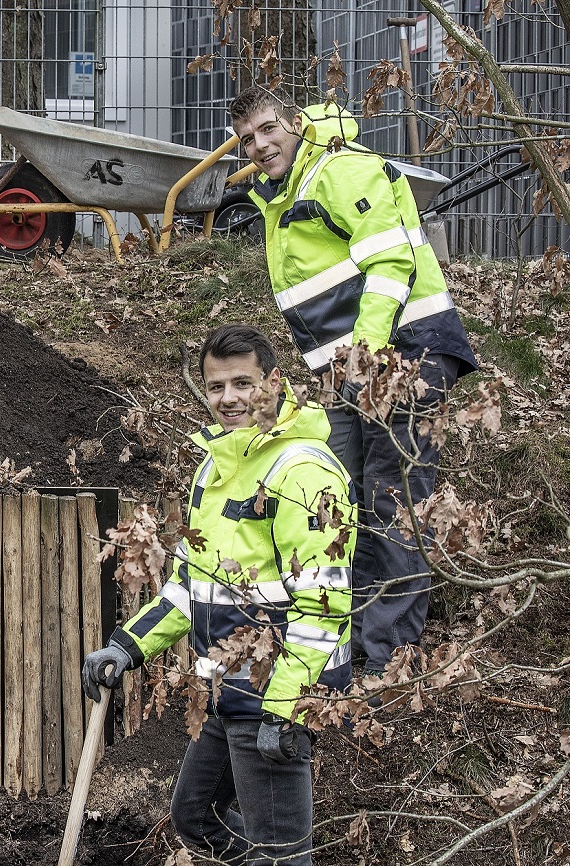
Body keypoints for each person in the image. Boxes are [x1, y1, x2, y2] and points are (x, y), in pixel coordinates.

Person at [82, 324, 354, 866]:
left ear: (274, 383)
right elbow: (190, 587)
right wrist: (127, 647)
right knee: (196, 817)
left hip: (277, 691)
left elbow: (324, 605)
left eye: (243, 383)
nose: (228, 399)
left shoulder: (304, 470)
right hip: (227, 690)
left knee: (279, 852)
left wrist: (283, 708)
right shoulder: (215, 465)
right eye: (215, 387)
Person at [228, 86, 478, 676]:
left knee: (391, 499)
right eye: (248, 139)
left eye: (268, 129)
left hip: (405, 352)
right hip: (356, 369)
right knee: (343, 497)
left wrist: (367, 355)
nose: (260, 145)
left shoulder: (339, 171)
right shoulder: (286, 192)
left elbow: (391, 263)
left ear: (294, 123)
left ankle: (392, 659)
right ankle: (356, 643)